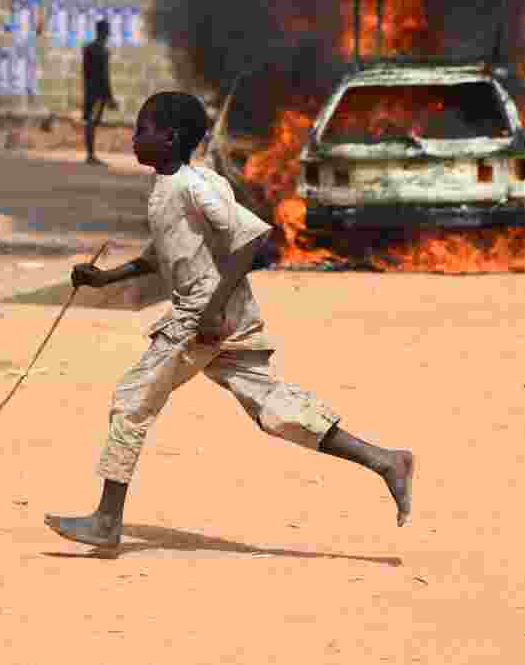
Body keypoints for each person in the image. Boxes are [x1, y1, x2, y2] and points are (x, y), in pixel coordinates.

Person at [44, 92, 415, 554]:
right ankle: (386, 462)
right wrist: (105, 278)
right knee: (275, 409)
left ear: (171, 137)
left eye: (143, 129)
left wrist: (213, 308)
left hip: (204, 316)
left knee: (132, 400)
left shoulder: (192, 186)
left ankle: (106, 521)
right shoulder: (170, 186)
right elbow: (164, 254)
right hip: (224, 317)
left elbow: (251, 239)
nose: (135, 137)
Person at [81, 19, 118, 165]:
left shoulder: (87, 48)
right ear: (104, 32)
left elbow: (85, 73)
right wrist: (109, 98)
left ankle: (90, 154)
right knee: (92, 123)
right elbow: (104, 76)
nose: (109, 34)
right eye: (107, 30)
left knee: (89, 122)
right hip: (98, 94)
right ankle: (90, 155)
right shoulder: (102, 51)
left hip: (89, 91)